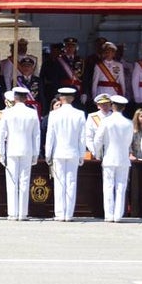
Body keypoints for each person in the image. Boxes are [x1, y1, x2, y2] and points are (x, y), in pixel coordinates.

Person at [0, 87, 40, 221]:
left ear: (14, 98)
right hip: (27, 150)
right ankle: (22, 213)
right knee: (24, 182)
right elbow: (36, 135)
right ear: (26, 98)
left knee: (12, 182)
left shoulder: (8, 113)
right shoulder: (32, 113)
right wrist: (35, 154)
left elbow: (1, 134)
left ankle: (12, 213)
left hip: (12, 150)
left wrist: (1, 153)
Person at [44, 87, 86, 221]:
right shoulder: (79, 114)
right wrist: (81, 154)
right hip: (73, 152)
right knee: (71, 182)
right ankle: (69, 214)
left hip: (58, 152)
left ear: (61, 98)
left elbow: (50, 137)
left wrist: (48, 154)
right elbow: (82, 138)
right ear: (72, 98)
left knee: (59, 182)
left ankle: (60, 213)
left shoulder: (54, 114)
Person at [92, 95, 133, 222]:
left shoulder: (106, 121)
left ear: (112, 106)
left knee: (108, 186)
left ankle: (109, 215)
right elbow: (129, 141)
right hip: (123, 158)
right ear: (124, 107)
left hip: (109, 157)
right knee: (121, 187)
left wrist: (98, 153)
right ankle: (118, 215)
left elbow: (98, 140)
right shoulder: (128, 123)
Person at [44, 36, 83, 104]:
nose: (70, 48)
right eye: (68, 46)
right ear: (64, 48)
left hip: (77, 90)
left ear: (76, 48)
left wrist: (84, 93)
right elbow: (55, 78)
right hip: (63, 89)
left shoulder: (81, 60)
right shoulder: (58, 60)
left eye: (72, 46)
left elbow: (85, 78)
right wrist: (56, 92)